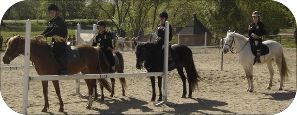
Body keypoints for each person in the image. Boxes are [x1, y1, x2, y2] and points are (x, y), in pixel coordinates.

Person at [41, 4, 68, 74]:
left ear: (56, 12)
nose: (51, 14)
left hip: (61, 41)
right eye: (50, 12)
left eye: (52, 12)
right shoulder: (51, 21)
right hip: (54, 41)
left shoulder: (60, 21)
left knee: (58, 52)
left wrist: (44, 36)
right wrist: (40, 35)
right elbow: (47, 29)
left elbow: (53, 31)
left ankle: (64, 69)